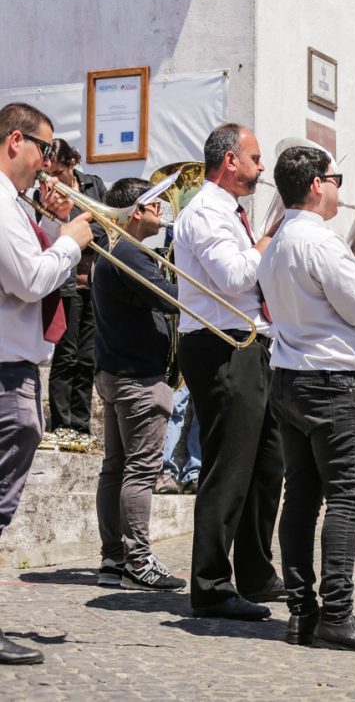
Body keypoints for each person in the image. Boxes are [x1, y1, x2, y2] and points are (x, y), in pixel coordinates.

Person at [260, 145, 355, 651]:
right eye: (337, 179)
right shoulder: (321, 242)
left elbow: (338, 306)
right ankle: (338, 616)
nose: (343, 190)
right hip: (333, 386)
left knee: (300, 500)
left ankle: (302, 614)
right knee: (347, 498)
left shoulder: (277, 241)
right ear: (318, 184)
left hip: (290, 379)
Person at [173, 123, 284, 621]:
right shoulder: (203, 212)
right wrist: (265, 241)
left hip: (250, 343)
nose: (262, 169)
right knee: (229, 466)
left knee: (268, 463)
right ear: (230, 160)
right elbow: (234, 276)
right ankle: (211, 585)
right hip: (219, 347)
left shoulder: (230, 213)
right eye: (255, 158)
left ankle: (256, 572)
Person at [0, 102, 94, 664]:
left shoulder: (15, 205)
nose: (48, 163)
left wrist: (58, 227)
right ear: (16, 141)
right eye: (45, 149)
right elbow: (30, 280)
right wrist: (73, 240)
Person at [91, 177, 187, 592]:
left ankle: (113, 559)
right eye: (155, 205)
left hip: (115, 374)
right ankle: (138, 561)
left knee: (115, 469)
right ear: (136, 212)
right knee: (142, 471)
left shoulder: (113, 252)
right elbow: (172, 300)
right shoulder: (130, 253)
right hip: (139, 380)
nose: (162, 210)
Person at [43, 138, 106, 439]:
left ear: (72, 164)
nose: (52, 180)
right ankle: (60, 424)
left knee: (87, 357)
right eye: (48, 173)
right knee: (66, 355)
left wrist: (76, 231)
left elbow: (106, 228)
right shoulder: (44, 195)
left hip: (93, 284)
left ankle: (80, 426)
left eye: (58, 172)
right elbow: (49, 237)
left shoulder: (94, 186)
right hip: (66, 283)